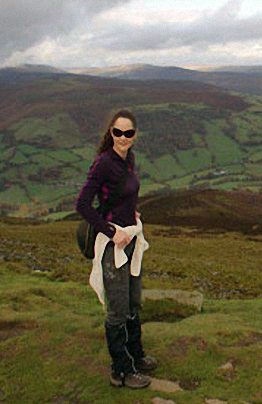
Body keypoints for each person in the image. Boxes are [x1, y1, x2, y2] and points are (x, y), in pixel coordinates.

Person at [76, 109, 157, 388]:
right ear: (111, 132)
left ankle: (136, 355)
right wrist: (111, 231)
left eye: (128, 133)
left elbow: (125, 195)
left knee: (134, 301)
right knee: (118, 309)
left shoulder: (129, 159)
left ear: (134, 136)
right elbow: (83, 205)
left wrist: (131, 215)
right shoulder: (103, 164)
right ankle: (120, 371)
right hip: (113, 245)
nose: (123, 137)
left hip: (132, 240)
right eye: (118, 132)